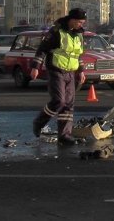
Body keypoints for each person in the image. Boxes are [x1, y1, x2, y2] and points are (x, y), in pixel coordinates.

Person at [30, 8, 88, 145]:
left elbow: (77, 54)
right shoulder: (57, 32)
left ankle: (64, 136)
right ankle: (39, 122)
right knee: (59, 101)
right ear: (72, 20)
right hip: (56, 70)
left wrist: (81, 71)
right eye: (79, 22)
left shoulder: (79, 34)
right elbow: (42, 49)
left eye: (83, 22)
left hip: (71, 72)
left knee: (68, 105)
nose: (81, 25)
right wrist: (35, 67)